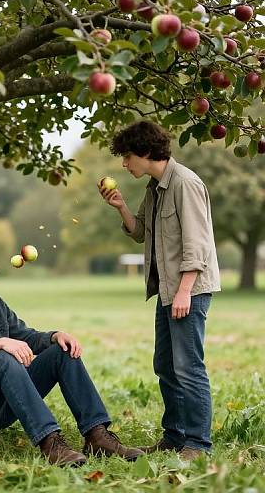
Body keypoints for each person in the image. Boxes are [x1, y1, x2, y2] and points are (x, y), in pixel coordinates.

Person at [0, 232, 144, 466]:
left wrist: (54, 336)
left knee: (61, 351)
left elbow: (26, 336)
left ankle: (97, 436)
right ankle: (50, 443)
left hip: (6, 403)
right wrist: (0, 343)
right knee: (2, 357)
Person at [98, 120, 220, 461]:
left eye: (126, 156)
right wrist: (121, 206)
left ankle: (197, 444)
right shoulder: (154, 187)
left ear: (146, 152)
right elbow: (140, 233)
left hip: (188, 291)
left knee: (188, 367)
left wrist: (184, 292)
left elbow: (198, 244)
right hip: (169, 290)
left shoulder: (185, 184)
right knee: (165, 365)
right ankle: (175, 436)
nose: (123, 164)